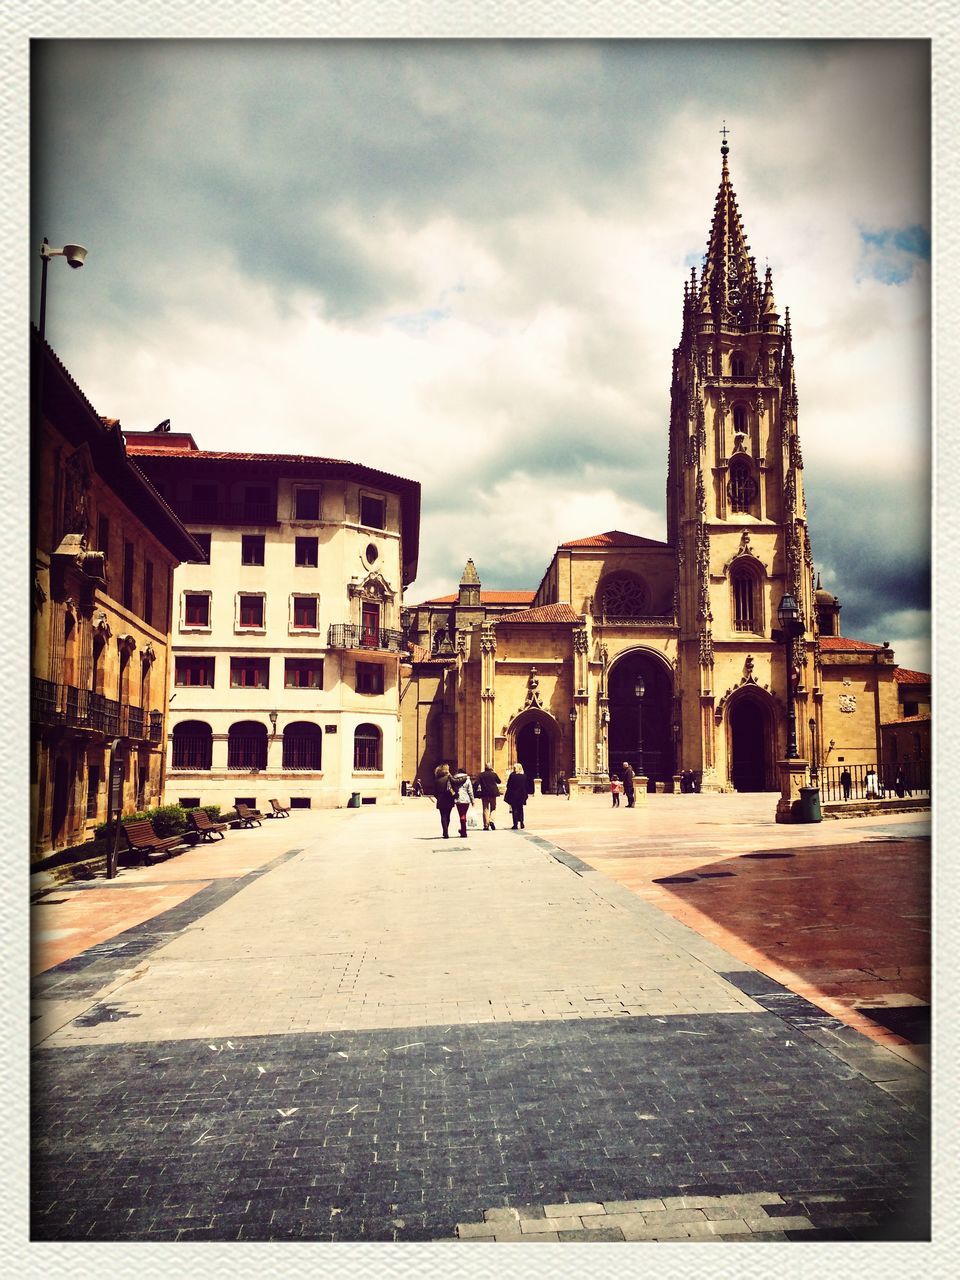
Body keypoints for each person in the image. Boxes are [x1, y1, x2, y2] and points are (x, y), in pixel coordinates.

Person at [474, 761, 502, 831]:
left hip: (485, 793)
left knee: (485, 809)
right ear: (491, 767)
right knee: (493, 808)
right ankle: (491, 820)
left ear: (485, 768)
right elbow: (499, 781)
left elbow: (476, 783)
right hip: (493, 793)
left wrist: (474, 791)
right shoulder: (494, 774)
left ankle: (486, 825)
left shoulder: (481, 775)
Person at [450, 766, 475, 837]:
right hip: (466, 800)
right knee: (464, 815)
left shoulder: (454, 778)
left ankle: (463, 830)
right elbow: (470, 791)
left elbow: (452, 788)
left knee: (461, 815)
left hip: (458, 800)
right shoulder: (467, 779)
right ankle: (463, 831)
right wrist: (472, 800)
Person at [433, 762, 456, 839]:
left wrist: (438, 797)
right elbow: (454, 785)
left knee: (443, 816)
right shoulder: (449, 778)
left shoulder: (437, 780)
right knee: (448, 816)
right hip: (449, 798)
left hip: (440, 799)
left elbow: (434, 793)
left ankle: (445, 831)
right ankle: (445, 831)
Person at [505, 763, 528, 829]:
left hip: (513, 795)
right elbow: (526, 786)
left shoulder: (512, 775)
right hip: (521, 795)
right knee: (520, 808)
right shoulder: (524, 776)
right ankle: (522, 822)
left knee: (514, 809)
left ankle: (515, 824)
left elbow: (508, 785)